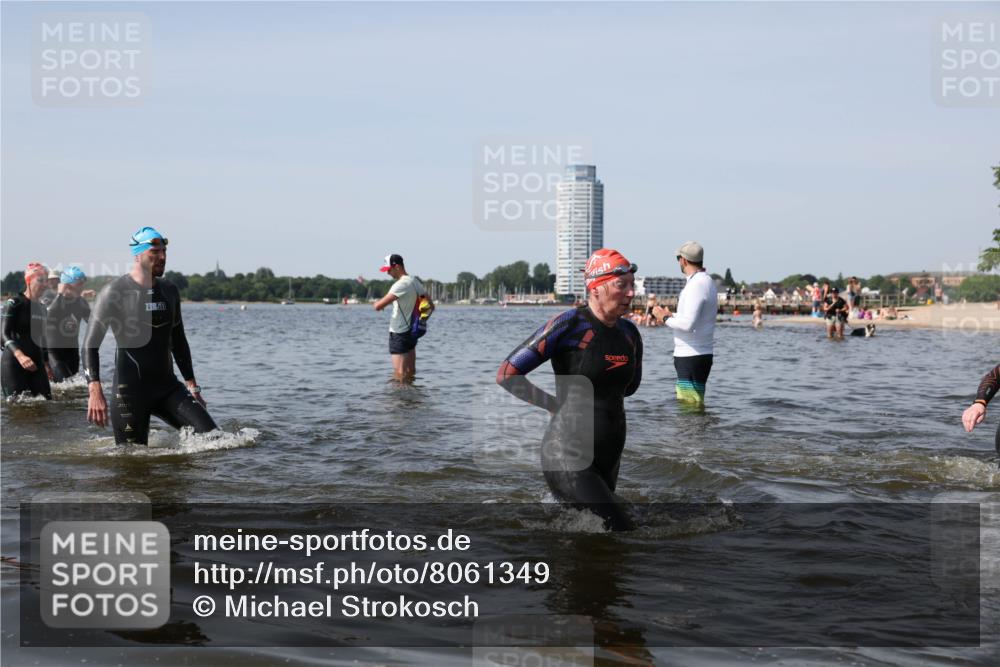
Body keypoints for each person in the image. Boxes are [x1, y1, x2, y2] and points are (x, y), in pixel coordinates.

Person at [496, 248, 642, 531]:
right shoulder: (569, 325)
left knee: (601, 541)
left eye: (632, 285)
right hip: (568, 454)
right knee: (623, 533)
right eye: (621, 285)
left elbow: (630, 388)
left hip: (608, 456)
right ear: (596, 288)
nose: (631, 293)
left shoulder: (630, 334)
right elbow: (507, 374)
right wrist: (554, 406)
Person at [84, 227, 218, 445]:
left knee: (214, 439)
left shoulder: (169, 290)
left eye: (164, 251)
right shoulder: (114, 291)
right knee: (132, 463)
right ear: (138, 255)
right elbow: (90, 345)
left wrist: (193, 386)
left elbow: (179, 341)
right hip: (129, 393)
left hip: (168, 387)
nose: (162, 257)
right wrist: (95, 390)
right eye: (154, 252)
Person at [652, 241, 718, 409]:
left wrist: (663, 318)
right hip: (699, 353)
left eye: (678, 258)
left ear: (683, 260)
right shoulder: (705, 281)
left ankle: (690, 436)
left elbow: (688, 324)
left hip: (691, 354)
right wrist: (671, 315)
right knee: (694, 404)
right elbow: (694, 318)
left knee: (689, 406)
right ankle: (696, 434)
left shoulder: (696, 284)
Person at [373, 253, 433, 382]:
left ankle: (400, 401)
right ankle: (411, 400)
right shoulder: (414, 281)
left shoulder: (400, 285)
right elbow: (430, 306)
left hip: (399, 333)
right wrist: (419, 322)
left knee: (399, 373)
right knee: (410, 371)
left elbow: (378, 306)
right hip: (412, 333)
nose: (387, 273)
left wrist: (378, 304)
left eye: (389, 270)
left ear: (397, 267)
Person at [1, 263, 53, 399]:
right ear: (29, 280)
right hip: (14, 362)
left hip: (37, 362)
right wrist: (20, 356)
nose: (44, 284)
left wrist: (47, 364)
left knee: (47, 404)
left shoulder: (42, 308)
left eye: (46, 281)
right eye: (40, 280)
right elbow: (3, 334)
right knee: (17, 410)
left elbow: (43, 339)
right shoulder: (14, 303)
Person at [46, 265, 91, 382]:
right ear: (68, 284)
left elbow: (93, 322)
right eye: (80, 283)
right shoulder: (50, 298)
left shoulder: (81, 302)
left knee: (73, 389)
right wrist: (60, 295)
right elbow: (48, 316)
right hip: (53, 352)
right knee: (63, 383)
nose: (83, 286)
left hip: (72, 353)